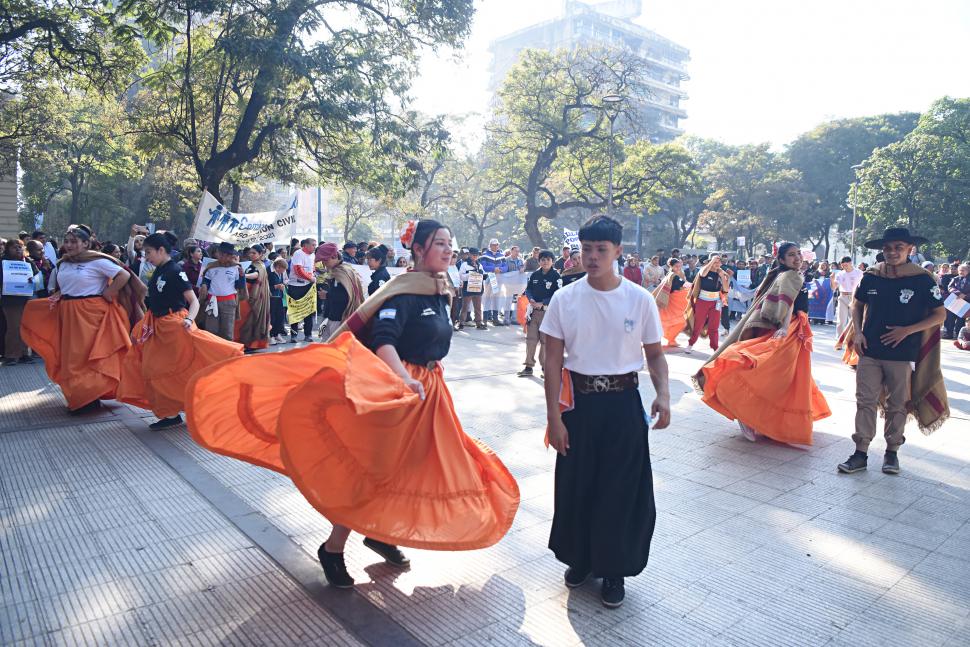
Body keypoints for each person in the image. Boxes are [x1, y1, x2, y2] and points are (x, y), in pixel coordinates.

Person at [185, 219, 519, 588]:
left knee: (418, 466)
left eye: (450, 243)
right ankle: (333, 548)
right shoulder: (404, 292)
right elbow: (384, 340)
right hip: (399, 392)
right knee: (375, 471)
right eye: (440, 243)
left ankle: (381, 533)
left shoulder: (440, 289)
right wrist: (405, 378)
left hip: (429, 392)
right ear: (419, 249)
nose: (448, 249)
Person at [541, 215, 670, 610]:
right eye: (586, 249)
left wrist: (663, 395)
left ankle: (613, 569)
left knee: (620, 488)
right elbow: (551, 362)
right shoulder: (565, 298)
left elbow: (655, 355)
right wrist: (554, 418)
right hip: (579, 405)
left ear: (617, 252)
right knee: (578, 483)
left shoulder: (639, 299)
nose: (592, 257)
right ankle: (581, 559)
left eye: (601, 249)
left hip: (623, 405)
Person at [693, 242, 831, 444]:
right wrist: (784, 328)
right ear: (782, 259)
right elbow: (787, 305)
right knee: (774, 376)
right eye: (792, 255)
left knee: (781, 377)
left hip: (795, 328)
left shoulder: (782, 274)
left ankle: (758, 418)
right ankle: (747, 414)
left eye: (799, 254)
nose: (797, 258)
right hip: (789, 329)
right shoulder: (790, 275)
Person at [838, 228, 948, 476]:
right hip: (870, 349)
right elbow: (857, 304)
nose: (892, 252)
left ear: (911, 249)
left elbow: (939, 315)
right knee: (864, 401)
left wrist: (907, 331)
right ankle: (860, 453)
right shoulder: (871, 276)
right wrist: (858, 332)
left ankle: (892, 452)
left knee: (897, 404)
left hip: (902, 352)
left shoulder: (923, 279)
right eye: (887, 248)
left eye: (898, 247)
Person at [118, 233, 243, 429]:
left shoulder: (176, 271)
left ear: (161, 250)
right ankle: (171, 412)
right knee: (154, 369)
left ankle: (200, 403)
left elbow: (193, 301)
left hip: (174, 326)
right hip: (157, 326)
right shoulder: (159, 269)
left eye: (149, 252)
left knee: (179, 369)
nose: (147, 256)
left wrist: (188, 319)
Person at [21, 225, 147, 412]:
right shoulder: (63, 263)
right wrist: (60, 294)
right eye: (67, 241)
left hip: (92, 314)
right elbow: (67, 284)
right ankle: (81, 395)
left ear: (86, 243)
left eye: (74, 241)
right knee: (72, 358)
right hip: (69, 313)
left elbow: (124, 274)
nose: (69, 245)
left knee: (90, 356)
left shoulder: (97, 261)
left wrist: (109, 292)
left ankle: (89, 396)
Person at [517, 250, 559, 378]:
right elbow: (528, 289)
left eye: (548, 259)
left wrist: (543, 302)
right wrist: (531, 299)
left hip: (548, 313)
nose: (545, 262)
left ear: (552, 261)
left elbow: (558, 294)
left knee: (545, 342)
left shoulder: (556, 276)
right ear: (539, 261)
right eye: (542, 259)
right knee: (530, 340)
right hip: (533, 312)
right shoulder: (535, 274)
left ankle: (545, 368)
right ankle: (528, 366)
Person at [0, 239, 38, 365]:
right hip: (10, 301)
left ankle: (25, 354)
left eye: (20, 247)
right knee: (13, 327)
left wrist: (34, 279)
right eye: (14, 247)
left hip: (27, 299)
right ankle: (11, 355)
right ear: (8, 249)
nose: (17, 249)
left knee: (26, 327)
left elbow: (38, 276)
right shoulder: (2, 262)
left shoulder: (28, 262)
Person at [198, 242, 246, 341]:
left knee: (227, 331)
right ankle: (212, 353)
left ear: (231, 256)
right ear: (217, 253)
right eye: (221, 254)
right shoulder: (211, 266)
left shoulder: (236, 268)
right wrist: (204, 285)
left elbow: (240, 286)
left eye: (227, 255)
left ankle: (228, 354)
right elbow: (206, 280)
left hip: (228, 302)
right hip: (212, 302)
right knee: (211, 330)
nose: (223, 257)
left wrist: (242, 276)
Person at [317, 242, 366, 334]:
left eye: (325, 260)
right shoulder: (341, 270)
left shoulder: (342, 272)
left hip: (339, 319)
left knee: (333, 346)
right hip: (331, 317)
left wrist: (326, 295)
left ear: (335, 256)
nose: (324, 264)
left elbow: (344, 297)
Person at [684, 256, 729, 354]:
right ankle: (690, 344)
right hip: (703, 301)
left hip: (716, 302)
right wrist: (712, 260)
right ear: (710, 262)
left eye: (719, 262)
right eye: (715, 262)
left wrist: (722, 276)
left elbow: (726, 289)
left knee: (714, 327)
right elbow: (702, 274)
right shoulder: (704, 270)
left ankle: (715, 348)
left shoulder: (722, 273)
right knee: (698, 325)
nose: (717, 264)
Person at [235, 244, 271, 351]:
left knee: (248, 319)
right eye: (250, 252)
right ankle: (244, 343)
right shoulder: (252, 264)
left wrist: (243, 276)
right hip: (247, 294)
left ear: (260, 254)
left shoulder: (260, 265)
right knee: (244, 320)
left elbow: (256, 275)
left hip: (253, 296)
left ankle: (250, 344)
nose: (251, 254)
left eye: (254, 253)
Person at [652, 258, 690, 348]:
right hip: (673, 301)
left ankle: (671, 339)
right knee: (680, 321)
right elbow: (685, 284)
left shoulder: (670, 274)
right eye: (676, 266)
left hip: (673, 300)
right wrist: (697, 285)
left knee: (674, 321)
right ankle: (669, 338)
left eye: (679, 266)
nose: (678, 268)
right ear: (671, 266)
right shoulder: (674, 276)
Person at [287, 238, 317, 343]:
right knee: (295, 311)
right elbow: (298, 270)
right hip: (295, 286)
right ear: (306, 245)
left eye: (315, 245)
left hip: (308, 286)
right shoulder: (298, 254)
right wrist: (310, 278)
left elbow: (312, 268)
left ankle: (308, 335)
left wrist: (313, 275)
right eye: (313, 245)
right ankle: (294, 336)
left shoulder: (313, 255)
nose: (315, 247)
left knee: (309, 311)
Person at [457, 247, 486, 330]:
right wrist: (470, 274)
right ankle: (461, 323)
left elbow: (483, 274)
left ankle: (479, 323)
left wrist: (484, 275)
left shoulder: (479, 264)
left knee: (478, 307)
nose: (475, 257)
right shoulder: (464, 264)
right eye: (474, 255)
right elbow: (461, 276)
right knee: (465, 306)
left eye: (477, 255)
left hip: (478, 288)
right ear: (469, 255)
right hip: (467, 289)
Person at [479, 239, 507, 325]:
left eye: (497, 245)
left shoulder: (502, 255)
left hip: (499, 278)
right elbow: (483, 267)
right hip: (489, 277)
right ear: (490, 245)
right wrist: (493, 269)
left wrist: (501, 269)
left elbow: (506, 267)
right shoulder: (485, 255)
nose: (495, 246)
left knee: (496, 299)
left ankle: (495, 319)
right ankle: (485, 320)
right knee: (487, 298)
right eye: (494, 245)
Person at [944, 264, 970, 339]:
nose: (960, 272)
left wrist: (965, 296)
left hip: (966, 302)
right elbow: (950, 287)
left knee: (961, 319)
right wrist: (958, 293)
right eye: (959, 270)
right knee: (950, 318)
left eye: (962, 270)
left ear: (967, 271)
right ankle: (949, 333)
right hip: (955, 301)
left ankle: (959, 335)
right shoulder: (955, 279)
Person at [268, 258, 288, 343]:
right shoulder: (270, 274)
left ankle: (277, 334)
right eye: (282, 269)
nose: (283, 272)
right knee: (273, 317)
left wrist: (281, 286)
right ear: (278, 267)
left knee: (280, 317)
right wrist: (277, 286)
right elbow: (267, 287)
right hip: (271, 298)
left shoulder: (280, 274)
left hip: (279, 297)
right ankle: (271, 335)